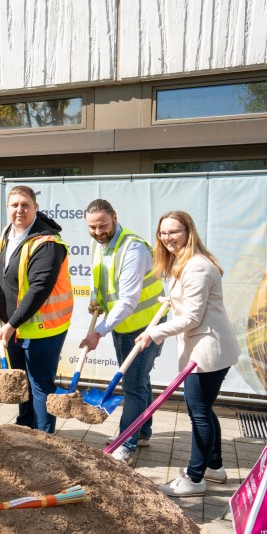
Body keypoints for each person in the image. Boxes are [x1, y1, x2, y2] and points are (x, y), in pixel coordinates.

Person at [135, 211, 239, 497]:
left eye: (174, 232)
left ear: (188, 231)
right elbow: (193, 304)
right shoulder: (186, 263)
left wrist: (153, 333)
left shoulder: (196, 267)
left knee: (198, 414)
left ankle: (194, 478)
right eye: (163, 233)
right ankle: (214, 467)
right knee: (203, 409)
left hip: (207, 351)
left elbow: (193, 317)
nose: (167, 238)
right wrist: (172, 299)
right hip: (207, 347)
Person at [81, 199, 164, 465]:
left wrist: (99, 332)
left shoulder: (133, 248)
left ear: (115, 217)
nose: (97, 232)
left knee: (133, 385)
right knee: (139, 380)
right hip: (124, 325)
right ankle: (142, 432)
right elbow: (101, 280)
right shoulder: (101, 244)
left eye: (102, 225)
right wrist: (96, 299)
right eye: (92, 227)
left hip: (144, 327)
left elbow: (128, 301)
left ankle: (126, 444)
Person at [0, 185, 72, 433]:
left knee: (40, 385)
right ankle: (25, 428)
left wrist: (11, 324)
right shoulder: (9, 234)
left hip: (42, 329)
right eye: (14, 205)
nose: (19, 210)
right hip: (16, 327)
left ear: (35, 208)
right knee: (22, 382)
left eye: (25, 205)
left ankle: (44, 438)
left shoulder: (48, 243)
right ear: (7, 208)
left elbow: (38, 289)